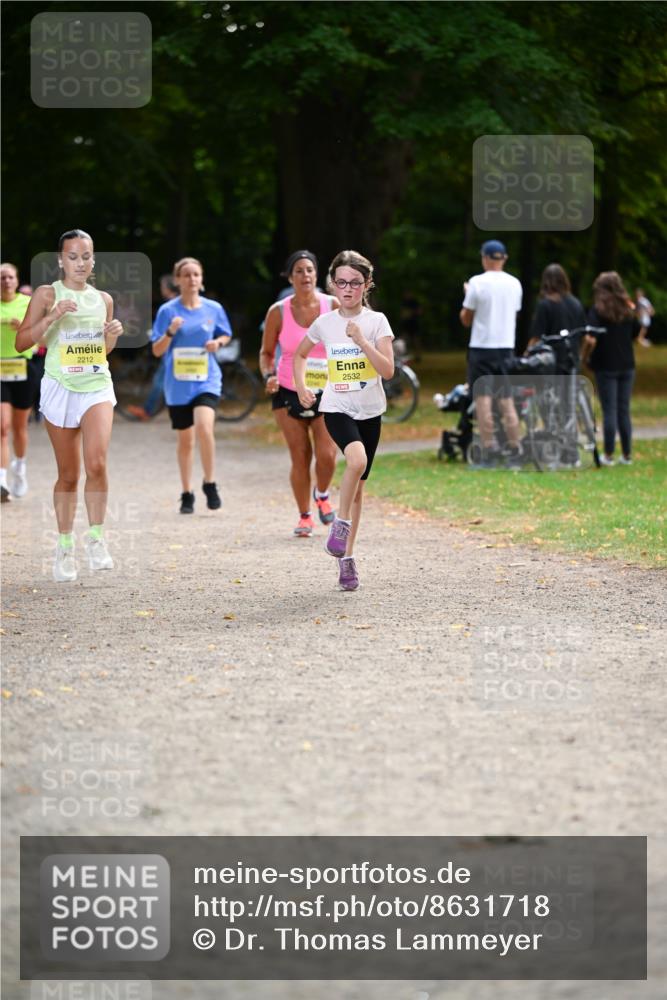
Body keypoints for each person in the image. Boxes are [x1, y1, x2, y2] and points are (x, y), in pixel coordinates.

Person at [14, 230, 123, 581]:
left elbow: (101, 352)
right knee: (69, 475)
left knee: (97, 462)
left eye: (86, 256)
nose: (80, 262)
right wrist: (52, 316)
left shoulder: (103, 299)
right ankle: (64, 546)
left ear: (94, 260)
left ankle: (96, 539)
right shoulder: (48, 294)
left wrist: (111, 336)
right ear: (61, 260)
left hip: (96, 386)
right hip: (60, 386)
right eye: (72, 256)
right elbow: (21, 342)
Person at [294, 250, 395, 591]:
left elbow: (388, 370)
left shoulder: (377, 321)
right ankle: (340, 523)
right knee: (356, 459)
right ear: (333, 285)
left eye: (355, 283)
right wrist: (303, 386)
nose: (347, 289)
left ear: (367, 285)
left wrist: (362, 340)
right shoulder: (324, 323)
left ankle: (347, 560)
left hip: (371, 410)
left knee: (359, 486)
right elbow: (301, 354)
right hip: (336, 406)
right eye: (341, 283)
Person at [260, 250, 339, 537]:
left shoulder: (333, 305)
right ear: (290, 277)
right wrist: (268, 376)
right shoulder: (277, 311)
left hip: (327, 390)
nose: (305, 276)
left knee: (328, 453)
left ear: (317, 275)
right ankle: (305, 515)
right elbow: (267, 353)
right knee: (300, 454)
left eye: (309, 270)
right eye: (299, 271)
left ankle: (323, 493)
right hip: (287, 389)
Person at [151, 256, 232, 513]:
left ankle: (210, 482)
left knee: (205, 428)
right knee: (185, 441)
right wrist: (171, 331)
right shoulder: (168, 311)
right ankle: (187, 492)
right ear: (177, 280)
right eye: (186, 275)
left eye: (196, 274)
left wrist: (217, 343)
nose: (191, 279)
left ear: (202, 278)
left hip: (206, 379)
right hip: (178, 384)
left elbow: (225, 334)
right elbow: (156, 350)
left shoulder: (213, 309)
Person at [459, 240, 523, 461]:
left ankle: (489, 447)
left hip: (482, 347)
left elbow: (466, 319)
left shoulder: (477, 283)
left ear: (485, 258)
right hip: (505, 347)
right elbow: (513, 314)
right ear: (504, 258)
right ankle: (515, 445)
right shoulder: (515, 284)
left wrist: (467, 295)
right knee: (506, 399)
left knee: (483, 399)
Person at [583, 272, 640, 466]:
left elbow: (591, 337)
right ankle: (627, 454)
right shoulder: (628, 308)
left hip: (605, 364)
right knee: (624, 410)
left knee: (609, 410)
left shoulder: (598, 310)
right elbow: (636, 331)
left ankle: (608, 454)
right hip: (627, 363)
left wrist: (585, 356)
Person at [1, 263, 34, 501]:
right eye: (2, 277)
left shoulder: (27, 303)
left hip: (23, 366)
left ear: (17, 279)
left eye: (10, 277)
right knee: (3, 427)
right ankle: (2, 481)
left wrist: (22, 327)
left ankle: (20, 468)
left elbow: (39, 335)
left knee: (20, 428)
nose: (6, 281)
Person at [126, 274, 178, 421]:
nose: (161, 289)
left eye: (162, 286)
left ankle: (147, 411)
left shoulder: (171, 305)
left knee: (159, 381)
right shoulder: (175, 303)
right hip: (171, 349)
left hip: (171, 350)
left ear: (168, 288)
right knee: (163, 380)